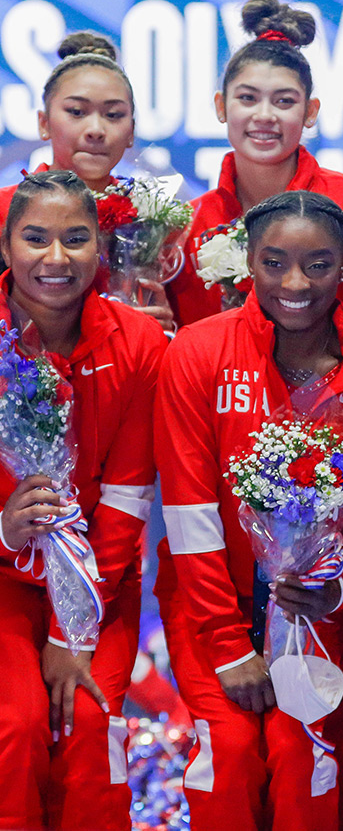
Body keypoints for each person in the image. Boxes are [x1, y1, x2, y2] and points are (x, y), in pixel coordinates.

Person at [154, 190, 343, 831]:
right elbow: (188, 508)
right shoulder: (199, 352)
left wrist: (340, 587)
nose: (295, 283)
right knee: (234, 756)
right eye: (275, 262)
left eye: (318, 265)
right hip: (211, 612)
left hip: (323, 616)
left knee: (305, 769)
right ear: (249, 261)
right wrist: (227, 644)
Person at [0, 170, 167, 830]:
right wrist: (6, 532)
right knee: (13, 730)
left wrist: (73, 632)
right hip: (2, 581)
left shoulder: (139, 343)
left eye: (76, 239)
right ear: (6, 245)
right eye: (35, 238)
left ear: (101, 248)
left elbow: (127, 502)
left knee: (92, 738)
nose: (55, 257)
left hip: (101, 585)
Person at [167, 0, 343, 327]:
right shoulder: (189, 225)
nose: (265, 115)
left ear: (310, 112)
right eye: (247, 98)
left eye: (284, 101)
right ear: (221, 106)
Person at [0, 31, 174, 331]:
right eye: (77, 112)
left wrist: (164, 329)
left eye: (113, 114)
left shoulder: (153, 219)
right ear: (44, 123)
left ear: (132, 130)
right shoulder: (4, 209)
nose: (95, 129)